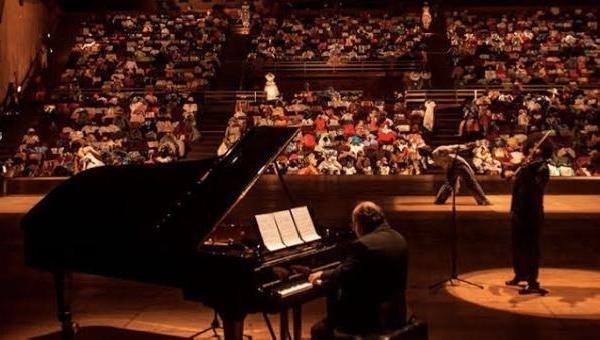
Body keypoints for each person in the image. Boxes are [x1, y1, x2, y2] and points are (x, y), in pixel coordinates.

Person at [309, 201, 408, 339]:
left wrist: (323, 274)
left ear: (360, 223)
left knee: (319, 331)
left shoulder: (363, 245)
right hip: (397, 313)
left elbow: (344, 273)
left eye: (353, 224)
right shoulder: (398, 238)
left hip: (370, 320)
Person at [504, 132, 553, 295]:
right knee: (517, 245)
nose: (533, 148)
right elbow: (510, 179)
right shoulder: (526, 166)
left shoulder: (542, 168)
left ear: (542, 150)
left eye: (536, 146)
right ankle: (520, 274)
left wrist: (526, 170)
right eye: (531, 146)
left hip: (532, 213)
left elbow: (535, 189)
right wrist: (508, 173)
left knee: (532, 248)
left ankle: (533, 281)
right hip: (518, 210)